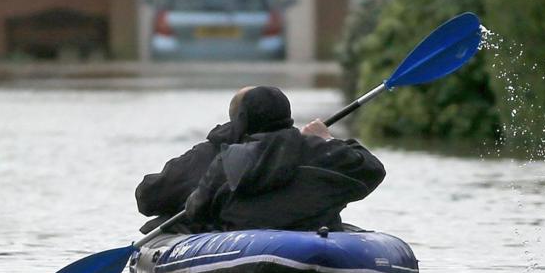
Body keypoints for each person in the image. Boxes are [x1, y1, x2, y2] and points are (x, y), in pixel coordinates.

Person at [135, 86, 385, 234]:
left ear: (240, 120)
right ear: (287, 116)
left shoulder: (225, 158)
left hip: (243, 242)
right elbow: (372, 170)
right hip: (310, 234)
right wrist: (328, 139)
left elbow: (197, 208)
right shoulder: (319, 151)